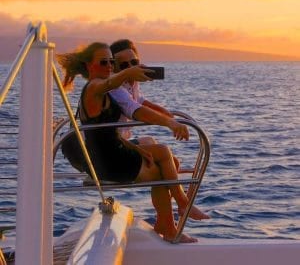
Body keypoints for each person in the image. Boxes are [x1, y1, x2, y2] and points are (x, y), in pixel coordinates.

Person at [57, 42, 208, 243]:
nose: (109, 66)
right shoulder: (95, 87)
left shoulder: (103, 90)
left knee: (167, 160)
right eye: (104, 62)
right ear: (89, 66)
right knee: (164, 157)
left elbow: (109, 133)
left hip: (110, 154)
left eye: (111, 62)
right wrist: (170, 123)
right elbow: (123, 99)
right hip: (109, 162)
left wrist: (135, 146)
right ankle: (179, 209)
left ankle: (169, 221)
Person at [110, 38, 172, 144]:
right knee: (160, 150)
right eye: (124, 65)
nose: (131, 68)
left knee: (155, 145)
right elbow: (133, 108)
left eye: (134, 62)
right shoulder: (114, 86)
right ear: (113, 67)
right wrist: (170, 123)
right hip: (109, 145)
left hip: (120, 140)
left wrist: (164, 112)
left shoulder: (131, 82)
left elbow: (139, 99)